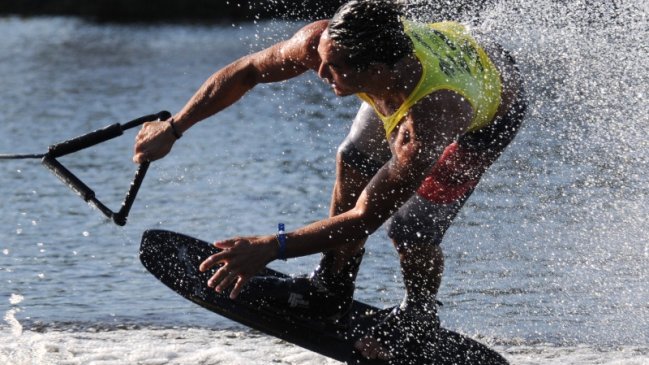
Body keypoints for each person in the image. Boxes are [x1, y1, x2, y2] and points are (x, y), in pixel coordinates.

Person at [133, 0, 526, 361]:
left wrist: (273, 247)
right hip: (425, 68)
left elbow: (365, 218)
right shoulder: (327, 45)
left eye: (334, 68)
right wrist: (173, 127)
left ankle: (419, 317)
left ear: (376, 70)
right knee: (352, 158)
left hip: (488, 111)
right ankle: (331, 287)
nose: (320, 72)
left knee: (411, 230)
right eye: (323, 59)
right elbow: (249, 70)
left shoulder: (429, 120)